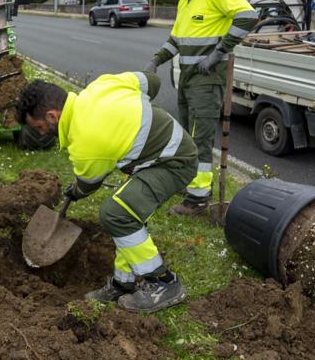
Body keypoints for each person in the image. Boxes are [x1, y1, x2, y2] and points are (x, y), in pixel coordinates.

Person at [17, 73, 197, 313]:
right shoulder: (101, 86)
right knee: (125, 209)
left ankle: (163, 283)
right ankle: (124, 283)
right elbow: (151, 81)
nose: (40, 134)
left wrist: (76, 192)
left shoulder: (84, 142)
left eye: (39, 127)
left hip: (173, 161)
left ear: (52, 116)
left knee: (116, 214)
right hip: (157, 156)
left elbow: (89, 183)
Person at [144, 0, 259, 217]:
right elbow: (177, 39)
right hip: (186, 78)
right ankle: (190, 185)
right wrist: (156, 60)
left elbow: (248, 16)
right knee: (186, 134)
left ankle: (198, 200)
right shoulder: (187, 0)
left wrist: (219, 52)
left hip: (207, 80)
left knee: (200, 139)